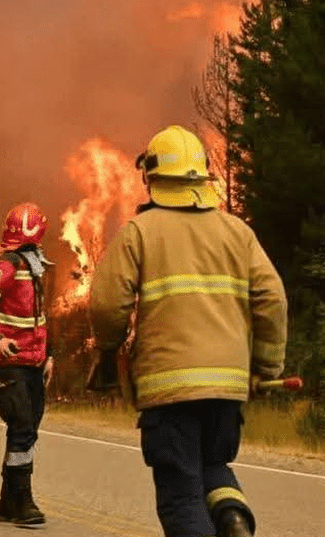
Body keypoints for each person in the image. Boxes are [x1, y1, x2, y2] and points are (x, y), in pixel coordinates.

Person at [89, 125, 288, 537]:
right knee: (214, 466)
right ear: (202, 175)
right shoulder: (238, 232)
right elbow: (273, 300)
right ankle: (233, 519)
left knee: (181, 493)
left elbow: (108, 306)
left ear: (152, 178)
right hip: (227, 390)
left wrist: (108, 352)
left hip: (170, 388)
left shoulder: (140, 233)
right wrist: (267, 368)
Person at [0, 202, 55, 526]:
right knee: (22, 429)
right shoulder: (6, 265)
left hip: (32, 361)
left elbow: (41, 318)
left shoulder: (34, 268)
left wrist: (49, 355)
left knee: (26, 433)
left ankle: (7, 502)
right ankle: (24, 502)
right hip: (10, 363)